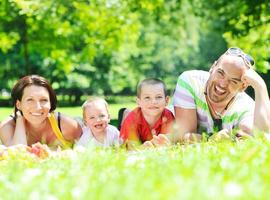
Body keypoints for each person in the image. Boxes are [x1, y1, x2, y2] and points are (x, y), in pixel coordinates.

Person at [148, 47, 270, 146]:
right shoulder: (190, 81)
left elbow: (261, 138)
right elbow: (184, 136)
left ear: (243, 87)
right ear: (213, 67)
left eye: (233, 81)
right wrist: (213, 140)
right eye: (220, 73)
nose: (222, 84)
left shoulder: (246, 106)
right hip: (153, 129)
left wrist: (260, 87)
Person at [0, 75, 82, 149]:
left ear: (50, 103)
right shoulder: (7, 126)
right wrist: (20, 119)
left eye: (44, 100)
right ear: (18, 104)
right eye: (30, 100)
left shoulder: (67, 125)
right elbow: (16, 154)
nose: (38, 107)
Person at [120, 78, 175, 149]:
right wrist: (143, 147)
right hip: (133, 130)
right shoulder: (132, 118)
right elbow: (129, 147)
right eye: (147, 97)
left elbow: (172, 138)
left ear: (166, 101)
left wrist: (163, 141)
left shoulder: (167, 115)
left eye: (158, 97)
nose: (153, 102)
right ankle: (125, 113)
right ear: (138, 102)